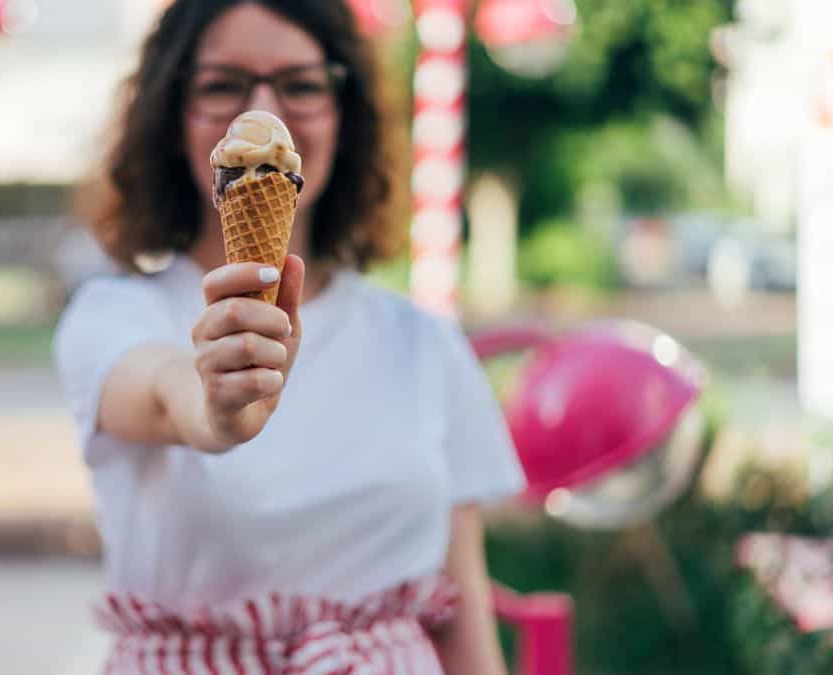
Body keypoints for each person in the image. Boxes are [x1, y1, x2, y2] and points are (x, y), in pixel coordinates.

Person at [55, 1, 527, 672]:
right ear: (171, 116)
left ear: (345, 113)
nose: (265, 110)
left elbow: (462, 616)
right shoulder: (112, 316)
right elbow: (164, 391)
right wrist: (217, 407)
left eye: (302, 84)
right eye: (222, 84)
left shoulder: (423, 344)